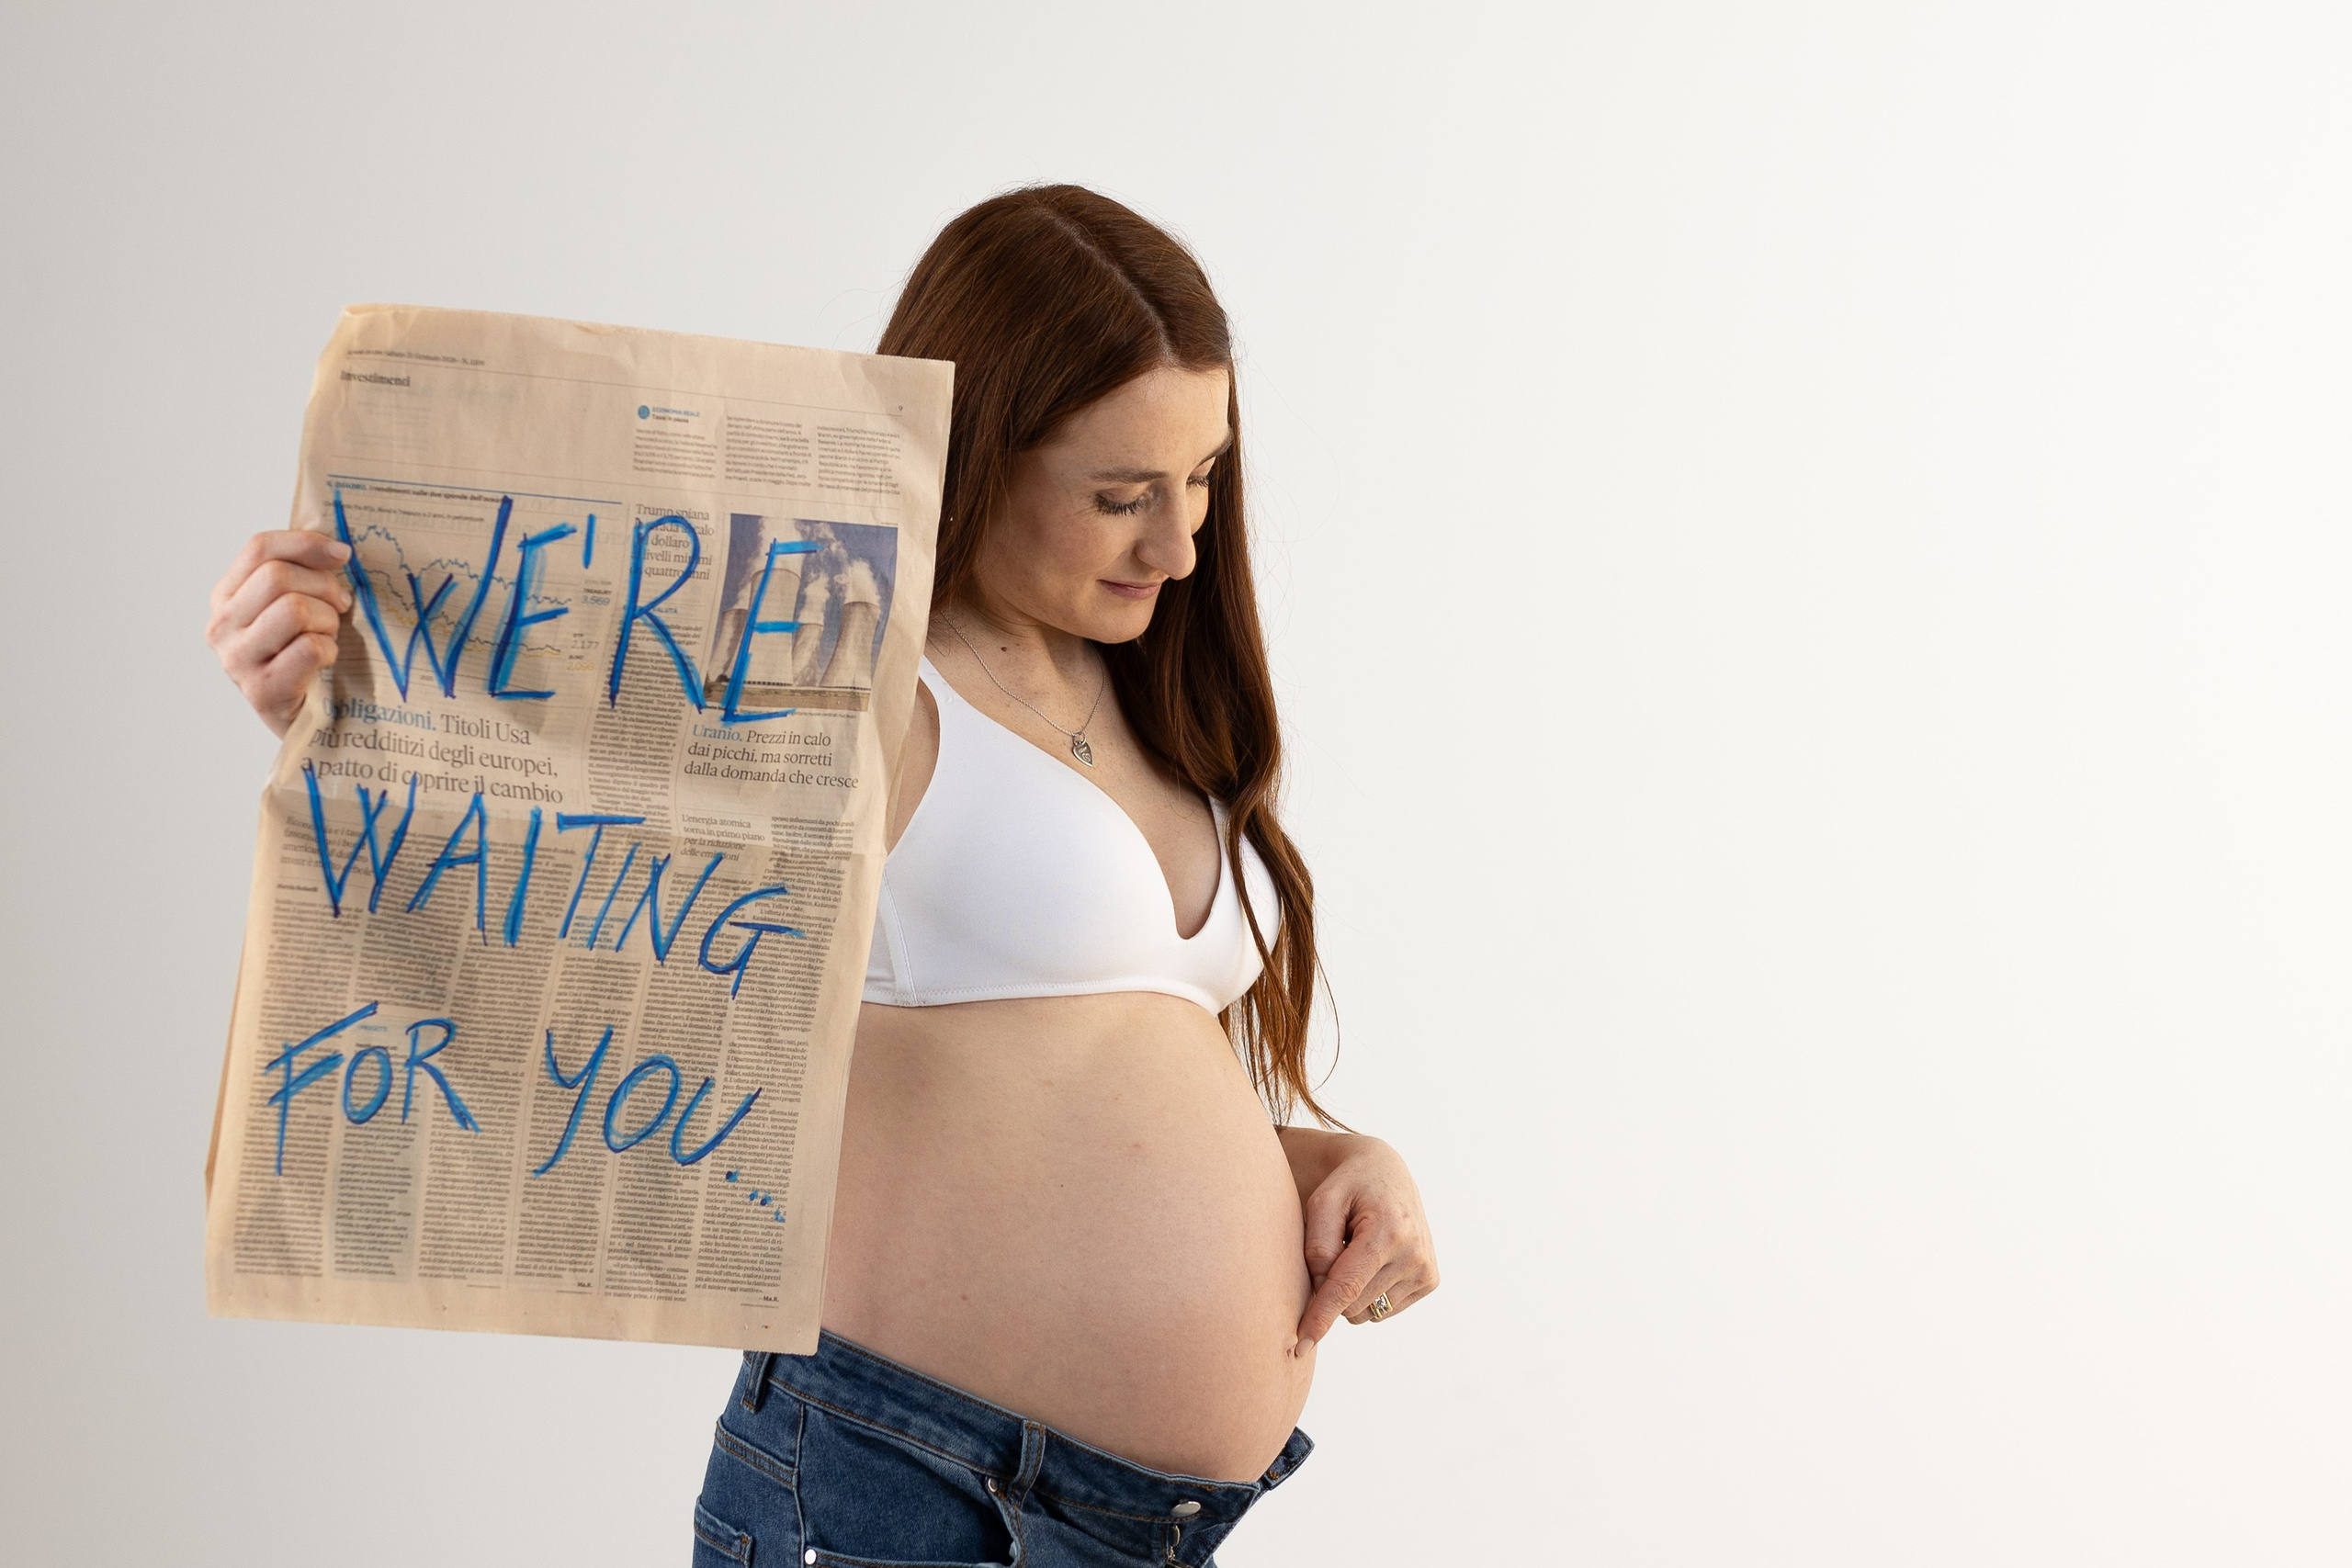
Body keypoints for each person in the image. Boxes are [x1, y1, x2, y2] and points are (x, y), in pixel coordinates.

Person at [205, 185, 1439, 1567]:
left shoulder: (1153, 695)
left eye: (1202, 476)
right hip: (915, 1495)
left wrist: (1321, 1164)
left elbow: (1064, 1079)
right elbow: (555, 813)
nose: (1181, 543)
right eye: (1119, 496)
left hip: (1135, 1525)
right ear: (974, 451)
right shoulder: (844, 684)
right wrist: (338, 699)